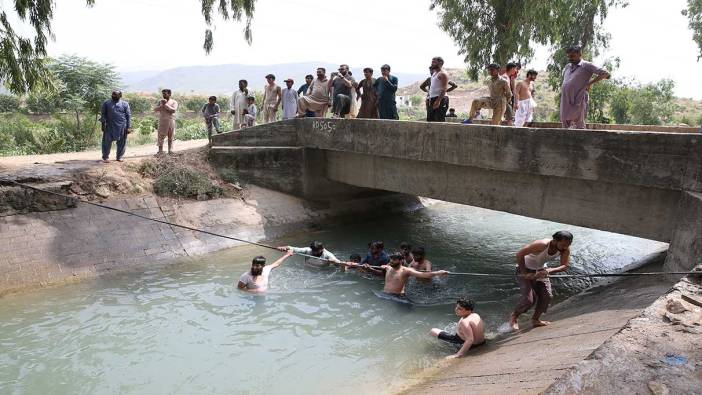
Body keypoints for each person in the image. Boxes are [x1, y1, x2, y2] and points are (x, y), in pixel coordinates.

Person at [509, 231, 573, 331]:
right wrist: (525, 273)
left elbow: (565, 266)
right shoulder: (542, 245)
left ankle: (535, 320)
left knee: (547, 296)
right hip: (524, 269)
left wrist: (549, 270)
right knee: (529, 300)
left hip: (541, 270)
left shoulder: (565, 249)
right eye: (563, 245)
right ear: (555, 241)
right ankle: (514, 316)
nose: (565, 247)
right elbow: (519, 254)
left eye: (568, 245)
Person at [560, 46, 610, 129]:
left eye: (572, 56)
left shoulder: (587, 66)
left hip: (578, 98)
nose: (570, 58)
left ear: (580, 54)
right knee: (565, 124)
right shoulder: (568, 67)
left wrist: (590, 83)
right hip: (565, 100)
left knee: (578, 124)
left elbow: (606, 74)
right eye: (568, 56)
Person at [362, 253, 448, 298]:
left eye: (394, 260)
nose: (391, 261)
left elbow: (424, 275)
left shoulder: (406, 271)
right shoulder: (388, 268)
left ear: (400, 261)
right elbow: (378, 272)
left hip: (397, 297)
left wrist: (439, 272)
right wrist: (369, 268)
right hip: (384, 294)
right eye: (390, 259)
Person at [99, 90, 132, 163]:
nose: (113, 96)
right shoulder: (106, 103)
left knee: (122, 142)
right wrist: (103, 125)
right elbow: (103, 115)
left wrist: (129, 127)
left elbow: (128, 116)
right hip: (109, 126)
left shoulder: (125, 104)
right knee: (106, 142)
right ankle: (105, 157)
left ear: (120, 96)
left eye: (115, 95)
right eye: (113, 95)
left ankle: (119, 156)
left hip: (122, 126)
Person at [277, 241, 343, 269]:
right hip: (306, 269)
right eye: (313, 251)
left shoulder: (328, 255)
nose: (314, 253)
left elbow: (340, 265)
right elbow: (293, 248)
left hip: (321, 273)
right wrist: (284, 247)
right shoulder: (308, 250)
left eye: (316, 251)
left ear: (322, 249)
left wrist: (334, 263)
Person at [154, 88, 178, 155]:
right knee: (160, 136)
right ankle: (160, 151)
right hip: (162, 121)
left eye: (165, 94)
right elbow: (155, 109)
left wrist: (166, 105)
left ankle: (170, 150)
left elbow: (173, 110)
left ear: (169, 94)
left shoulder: (174, 102)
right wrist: (162, 105)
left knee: (170, 136)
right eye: (163, 94)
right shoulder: (160, 102)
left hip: (171, 120)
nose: (163, 95)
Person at [426, 57, 450, 122]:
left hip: (441, 99)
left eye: (434, 62)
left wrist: (438, 101)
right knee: (430, 120)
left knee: (439, 120)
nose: (432, 64)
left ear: (440, 63)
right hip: (432, 99)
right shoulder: (434, 73)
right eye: (432, 62)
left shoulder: (443, 74)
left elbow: (445, 88)